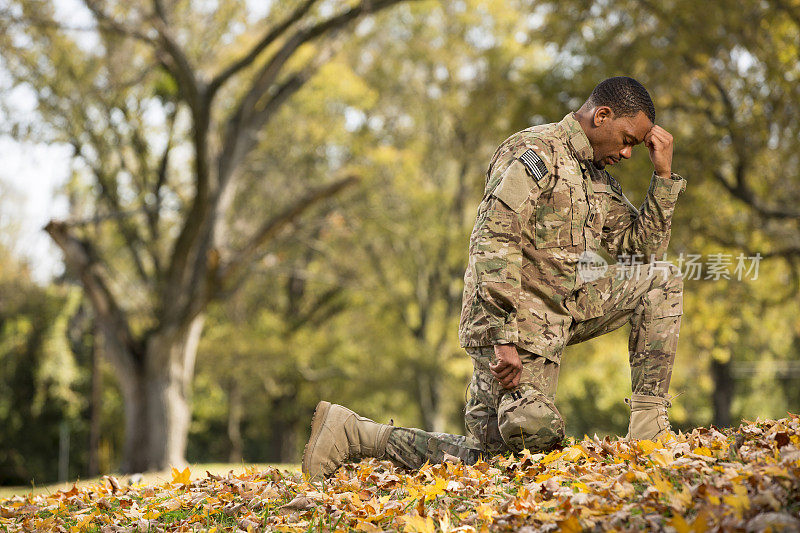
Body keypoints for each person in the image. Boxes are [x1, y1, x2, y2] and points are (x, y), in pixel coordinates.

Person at [302, 76, 685, 479]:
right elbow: (494, 240)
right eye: (626, 139)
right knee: (519, 453)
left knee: (660, 279)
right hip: (509, 329)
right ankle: (358, 436)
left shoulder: (597, 178)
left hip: (563, 313)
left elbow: (640, 251)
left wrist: (662, 177)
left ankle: (648, 429)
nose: (627, 153)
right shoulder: (536, 152)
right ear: (601, 115)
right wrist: (501, 339)